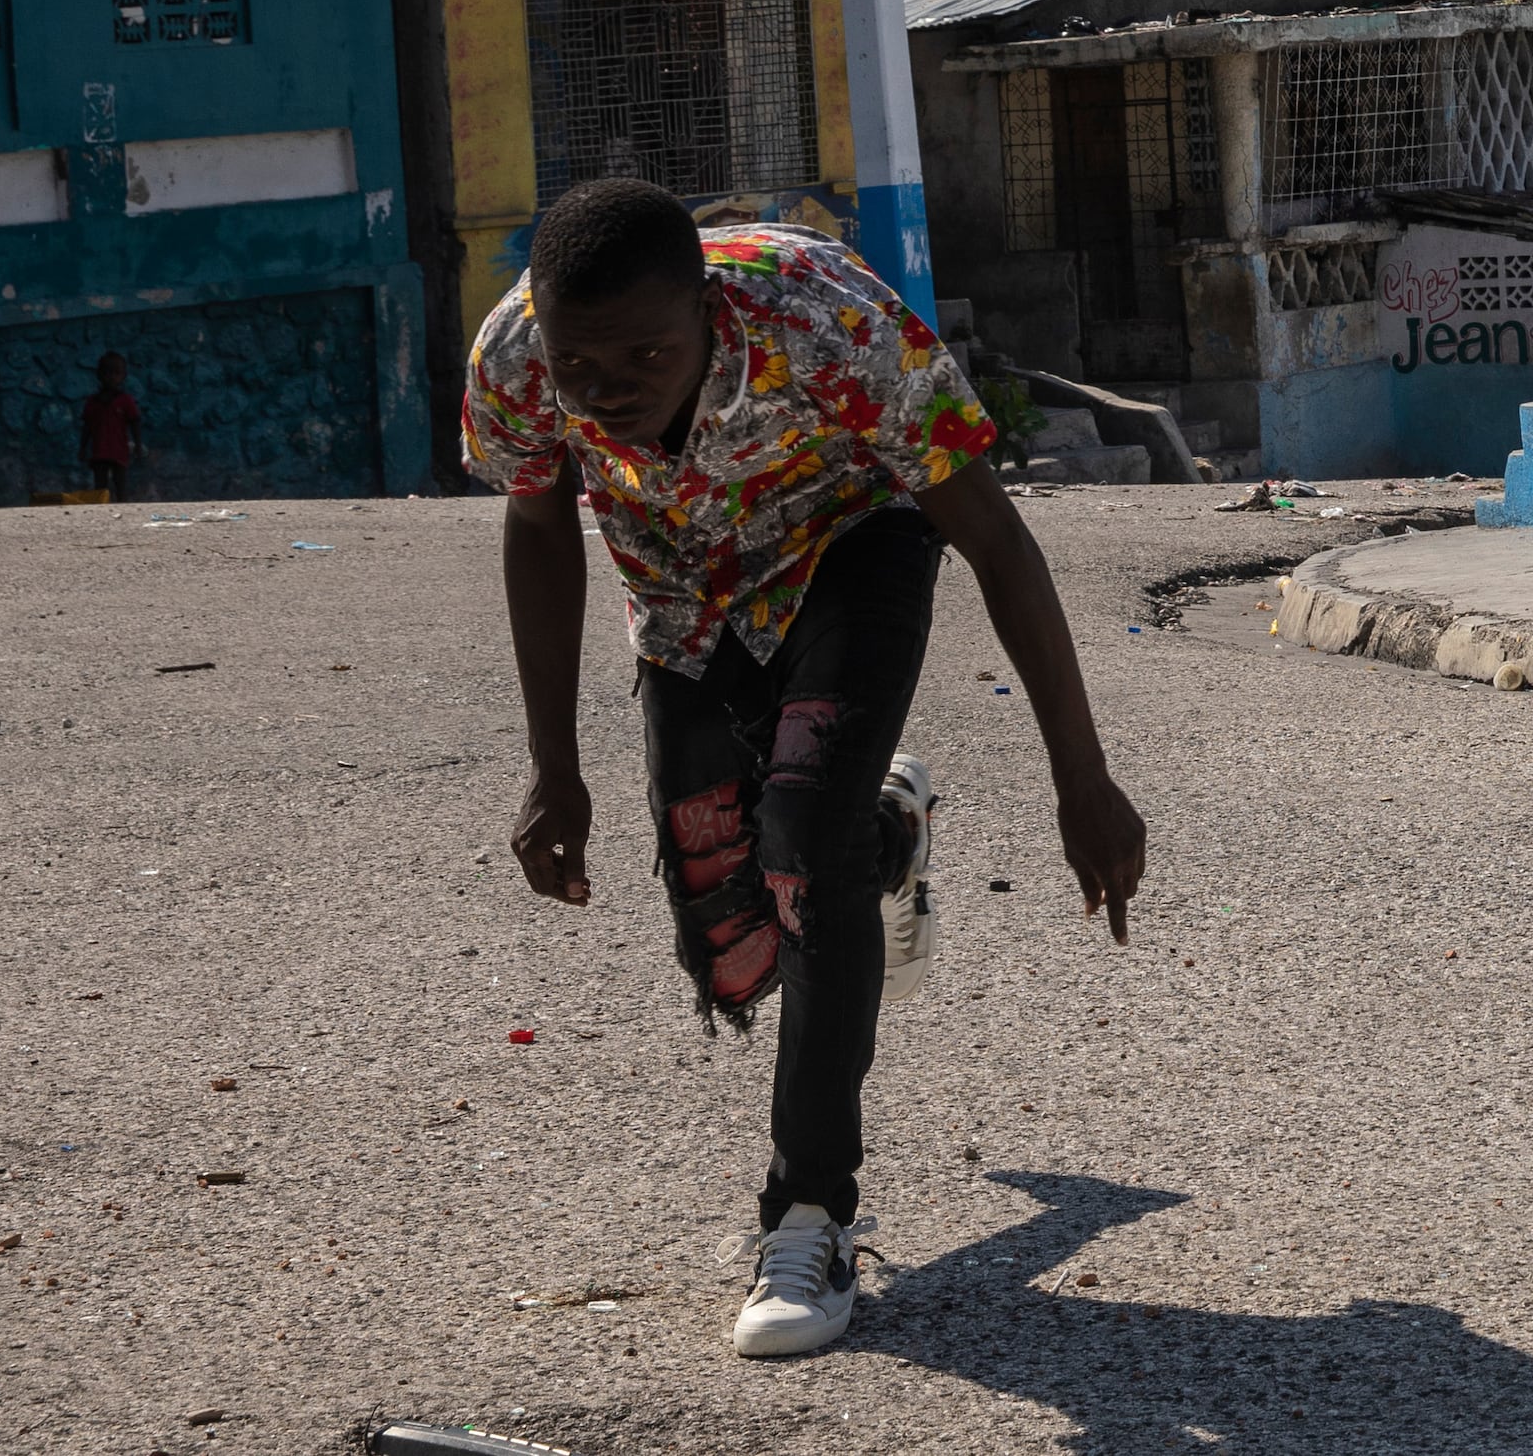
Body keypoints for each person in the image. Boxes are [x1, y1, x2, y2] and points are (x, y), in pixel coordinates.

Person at [467, 181, 1147, 1363]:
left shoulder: (825, 323)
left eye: (648, 352)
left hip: (854, 539)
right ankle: (882, 839)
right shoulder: (519, 352)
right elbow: (537, 525)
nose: (609, 386)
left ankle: (809, 1216)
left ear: (708, 312)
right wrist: (552, 768)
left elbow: (994, 536)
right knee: (729, 933)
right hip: (681, 584)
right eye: (584, 363)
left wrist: (1079, 780)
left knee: (799, 851)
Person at [79, 350, 145, 504]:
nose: (111, 377)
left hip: (119, 451)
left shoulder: (125, 401)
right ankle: (101, 512)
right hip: (99, 451)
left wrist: (138, 444)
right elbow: (87, 426)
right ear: (99, 375)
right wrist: (82, 448)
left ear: (123, 376)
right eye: (107, 372)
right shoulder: (93, 402)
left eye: (116, 373)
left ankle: (122, 508)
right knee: (100, 487)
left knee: (120, 484)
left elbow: (134, 422)